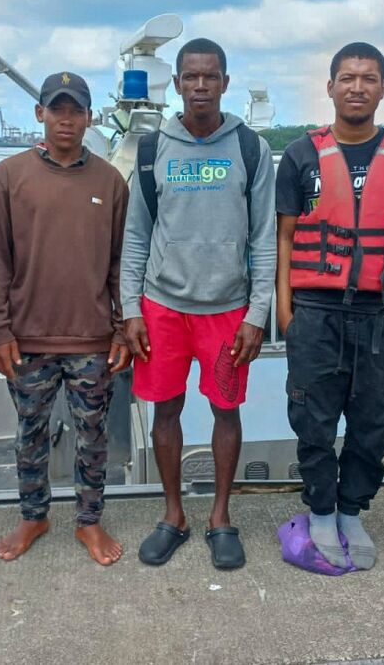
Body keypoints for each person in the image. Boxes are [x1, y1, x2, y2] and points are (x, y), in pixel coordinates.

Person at [275, 42, 384, 570]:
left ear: (383, 88)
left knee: (373, 423)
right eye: (347, 77)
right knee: (313, 423)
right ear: (330, 87)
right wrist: (285, 311)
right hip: (315, 313)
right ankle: (320, 511)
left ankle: (351, 510)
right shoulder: (300, 155)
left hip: (382, 315)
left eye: (368, 78)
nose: (357, 87)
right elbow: (285, 239)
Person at [121, 38, 276, 570]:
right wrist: (131, 309)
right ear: (178, 85)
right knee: (165, 409)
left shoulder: (250, 149)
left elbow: (264, 240)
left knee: (225, 410)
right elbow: (136, 237)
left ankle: (220, 517)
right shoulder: (152, 150)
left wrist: (259, 313)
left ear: (225, 83)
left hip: (228, 309)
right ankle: (173, 515)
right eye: (191, 77)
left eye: (211, 76)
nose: (201, 86)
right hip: (163, 307)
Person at [0, 71, 130, 567]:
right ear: (40, 113)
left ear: (90, 117)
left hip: (91, 337)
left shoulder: (110, 181)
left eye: (76, 110)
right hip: (27, 337)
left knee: (93, 436)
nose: (66, 119)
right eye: (57, 108)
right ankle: (33, 514)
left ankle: (89, 521)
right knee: (30, 433)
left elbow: (120, 264)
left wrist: (124, 324)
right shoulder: (7, 176)